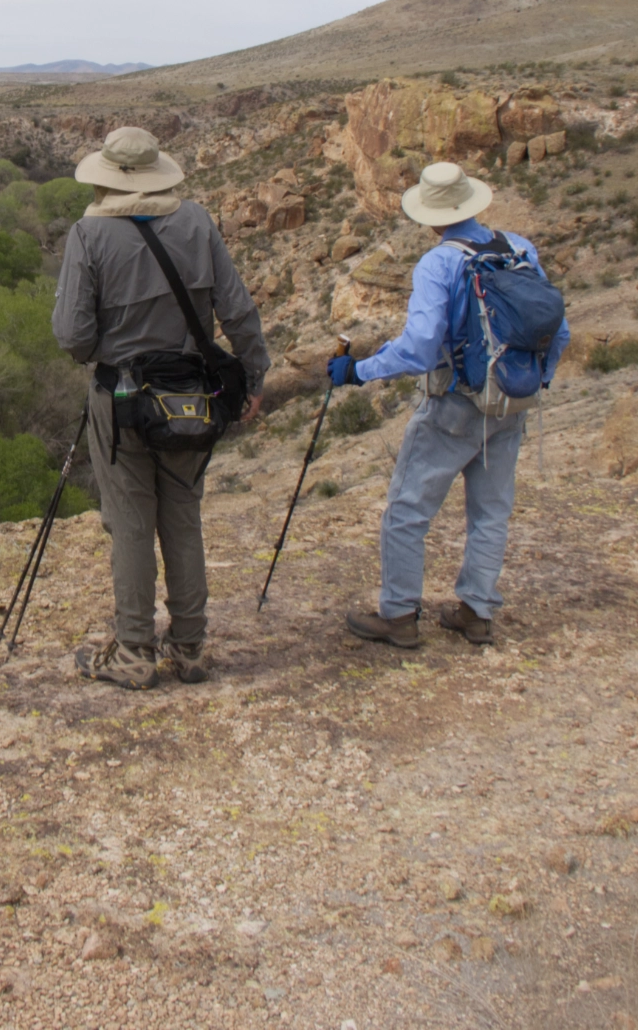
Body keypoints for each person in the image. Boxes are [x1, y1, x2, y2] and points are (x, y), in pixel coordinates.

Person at [52, 126, 270, 690]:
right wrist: (253, 377)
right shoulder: (196, 221)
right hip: (192, 397)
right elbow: (239, 310)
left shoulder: (87, 235)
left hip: (121, 399)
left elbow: (72, 336)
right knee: (182, 513)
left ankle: (133, 652)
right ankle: (192, 648)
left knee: (129, 522)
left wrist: (118, 352)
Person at [327, 161, 570, 650]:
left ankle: (398, 616)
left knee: (407, 511)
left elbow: (419, 347)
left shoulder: (439, 263)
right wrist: (531, 383)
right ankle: (476, 613)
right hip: (512, 401)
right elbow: (557, 330)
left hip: (455, 406)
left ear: (431, 215)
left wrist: (359, 371)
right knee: (491, 512)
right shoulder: (520, 249)